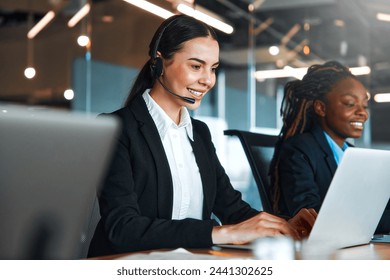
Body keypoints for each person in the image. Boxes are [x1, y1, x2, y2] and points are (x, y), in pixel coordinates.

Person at [87, 15, 317, 257]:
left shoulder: (199, 133)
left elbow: (233, 209)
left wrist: (285, 225)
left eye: (213, 68)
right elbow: (123, 229)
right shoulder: (116, 128)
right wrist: (222, 233)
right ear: (159, 64)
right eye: (196, 66)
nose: (208, 80)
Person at [269, 61, 389, 233]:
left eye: (364, 105)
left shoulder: (352, 154)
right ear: (321, 107)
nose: (363, 113)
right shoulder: (298, 149)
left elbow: (376, 205)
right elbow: (310, 215)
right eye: (350, 103)